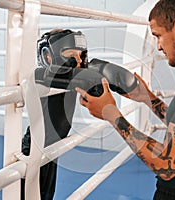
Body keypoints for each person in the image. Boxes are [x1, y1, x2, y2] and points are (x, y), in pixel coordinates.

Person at [76, 0, 175, 200]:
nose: (158, 47)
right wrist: (147, 97)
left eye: (158, 36)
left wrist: (113, 115)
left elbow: (166, 165)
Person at [21, 29, 138, 200]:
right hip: (33, 149)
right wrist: (98, 73)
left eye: (81, 56)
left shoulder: (74, 73)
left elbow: (126, 80)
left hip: (51, 150)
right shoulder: (41, 75)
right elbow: (88, 79)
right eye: (70, 56)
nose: (77, 62)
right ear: (47, 57)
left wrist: (105, 72)